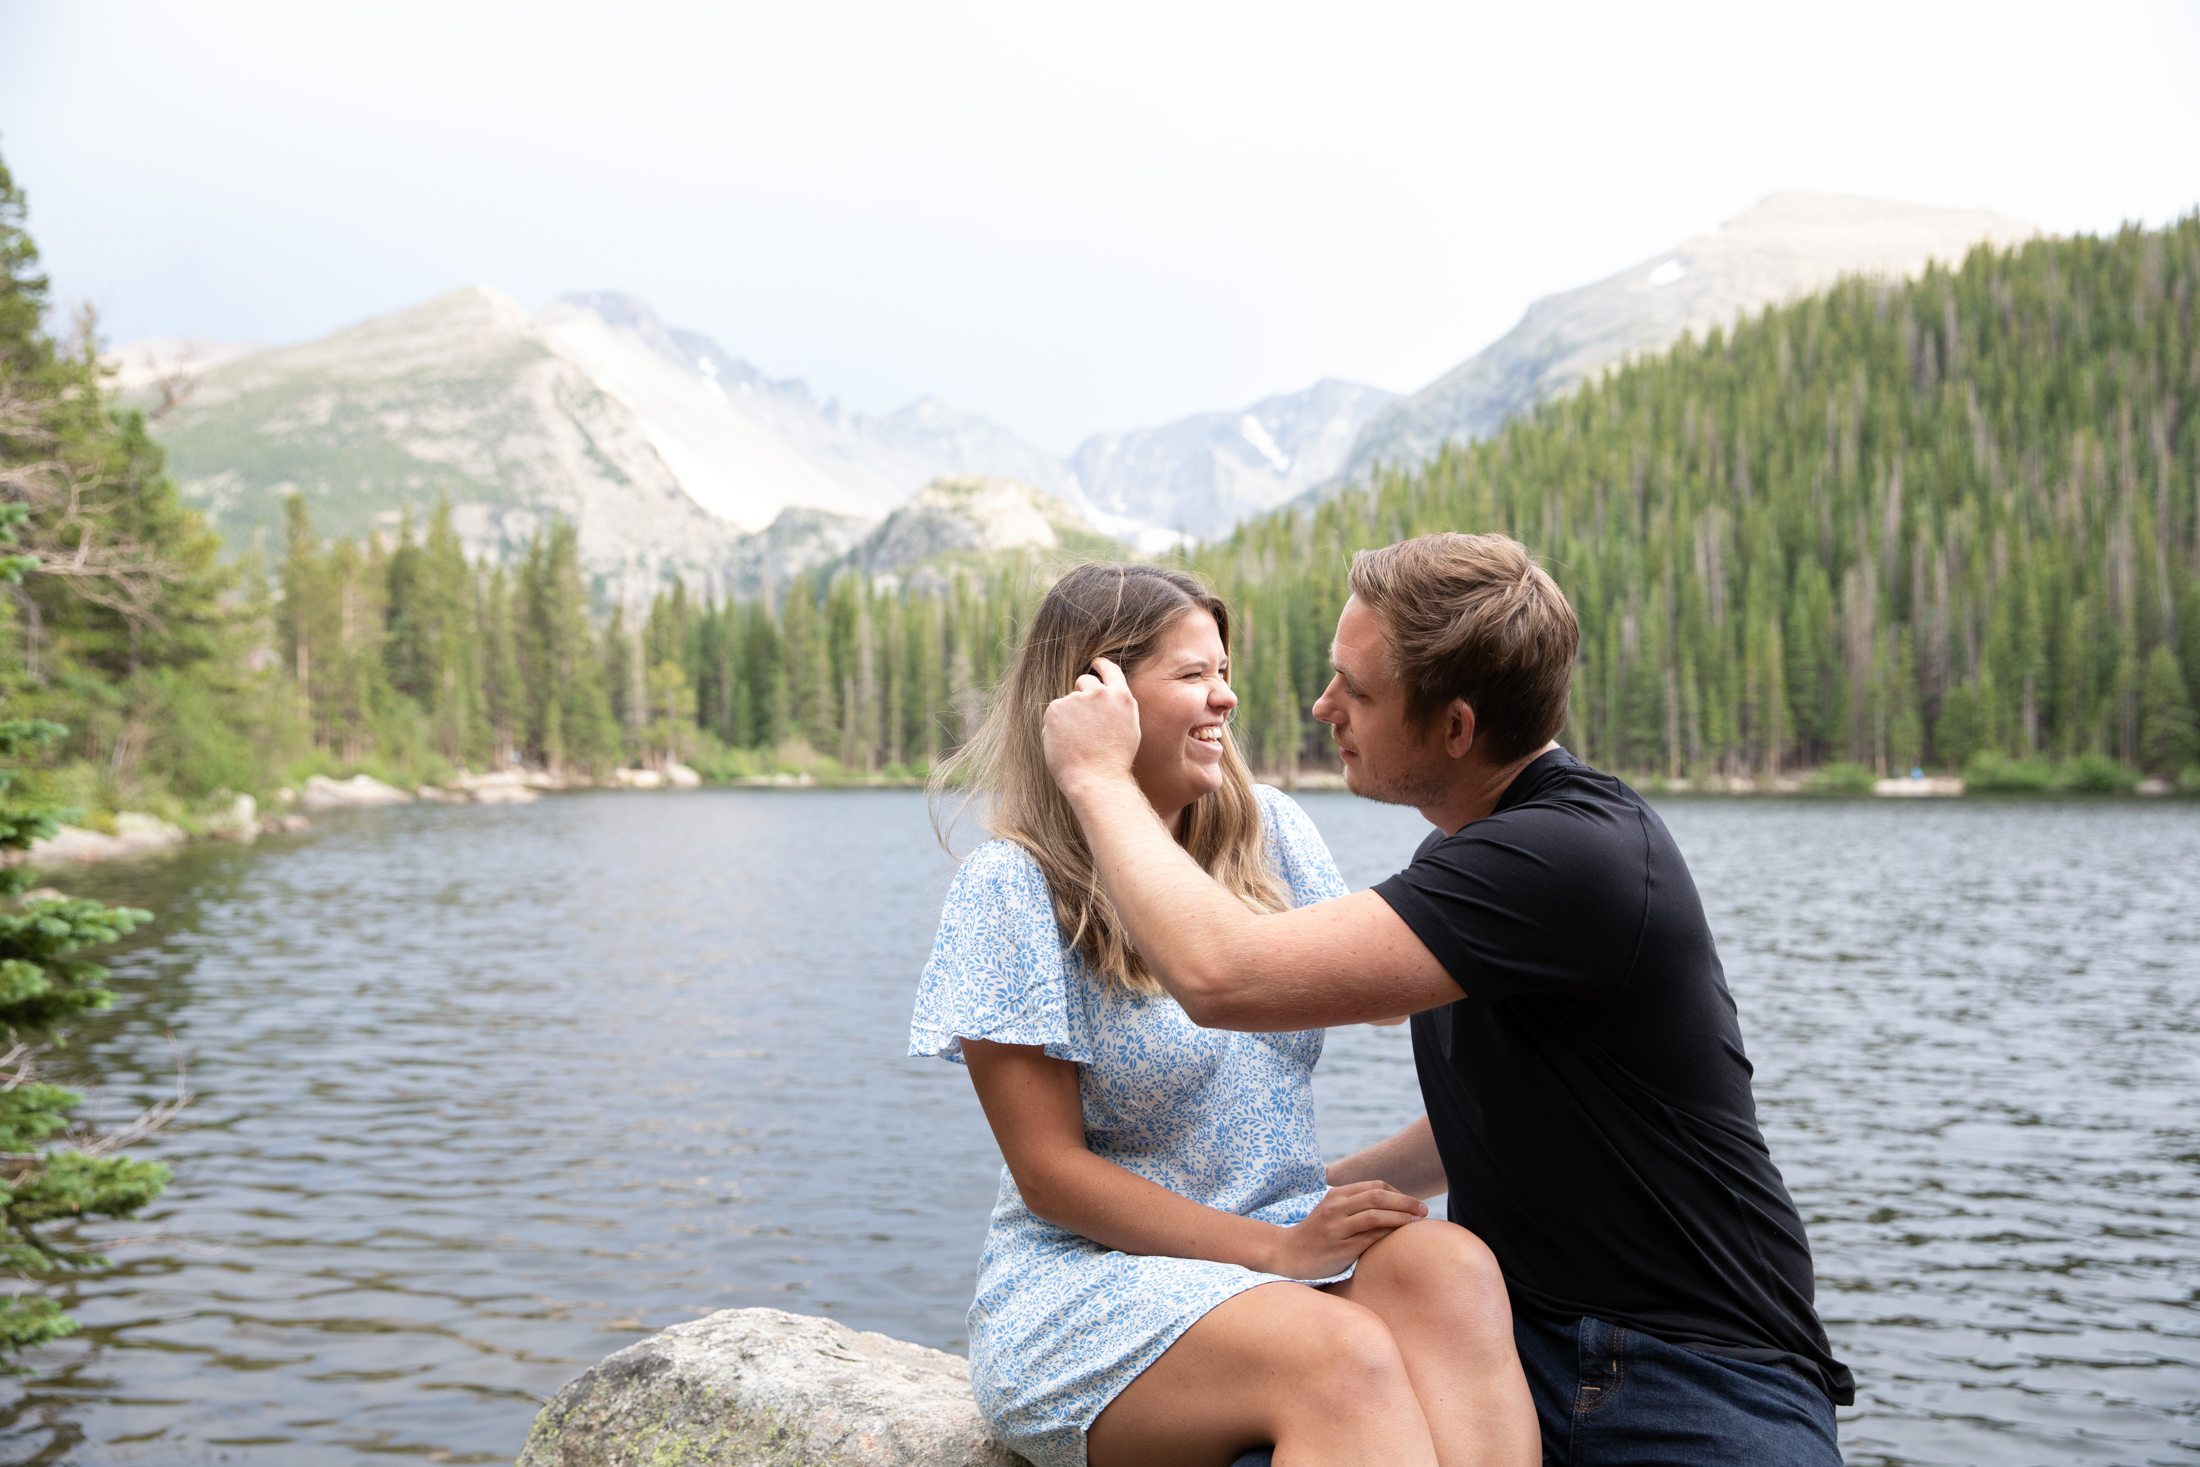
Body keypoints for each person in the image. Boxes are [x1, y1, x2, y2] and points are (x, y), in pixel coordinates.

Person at [1040, 534, 1856, 1467]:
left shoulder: (1568, 856)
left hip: (1696, 1372)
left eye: (1357, 689)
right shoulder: (1476, 856)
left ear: (1457, 727)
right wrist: (1290, 1200)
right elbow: (1499, 1111)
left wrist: (1098, 777)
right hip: (1511, 1339)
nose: (1323, 706)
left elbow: (1223, 977)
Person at [910, 562, 1539, 1467]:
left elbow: (1399, 997)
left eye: (1224, 669)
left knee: (1453, 1268)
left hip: (1281, 1235)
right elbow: (1049, 1175)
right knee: (1342, 1357)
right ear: (1098, 696)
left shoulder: (1272, 832)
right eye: (1194, 675)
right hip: (1093, 1285)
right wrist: (1276, 1250)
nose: (1227, 697)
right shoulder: (1010, 886)